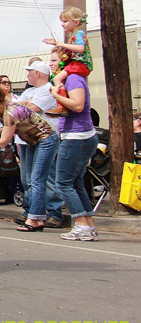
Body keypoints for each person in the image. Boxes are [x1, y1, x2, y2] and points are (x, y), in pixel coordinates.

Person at [0, 81, 60, 232]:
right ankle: (35, 216)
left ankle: (34, 218)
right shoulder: (2, 112)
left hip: (46, 139)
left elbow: (4, 141)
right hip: (33, 141)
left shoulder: (10, 113)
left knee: (37, 179)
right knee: (29, 179)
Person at [50, 60, 99, 241]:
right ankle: (88, 226)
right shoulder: (68, 80)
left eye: (54, 60)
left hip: (77, 137)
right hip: (76, 137)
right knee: (76, 183)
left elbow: (77, 105)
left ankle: (81, 225)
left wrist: (56, 94)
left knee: (63, 183)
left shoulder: (74, 79)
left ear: (65, 62)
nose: (51, 64)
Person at [13, 58, 63, 228]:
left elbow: (30, 109)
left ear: (37, 73)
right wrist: (23, 103)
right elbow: (15, 108)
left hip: (43, 138)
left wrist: (22, 104)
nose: (27, 75)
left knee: (45, 177)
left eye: (29, 72)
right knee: (27, 178)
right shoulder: (28, 92)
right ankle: (31, 210)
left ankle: (54, 212)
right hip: (25, 139)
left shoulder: (48, 89)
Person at [44, 7, 93, 116]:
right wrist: (56, 43)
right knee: (58, 78)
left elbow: (81, 48)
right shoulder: (73, 36)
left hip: (80, 65)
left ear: (76, 22)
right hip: (77, 65)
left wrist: (63, 44)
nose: (62, 24)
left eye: (65, 21)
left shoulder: (79, 34)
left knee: (57, 78)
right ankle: (62, 104)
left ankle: (61, 105)